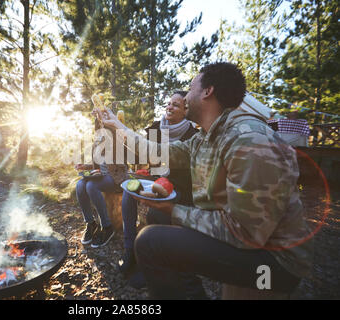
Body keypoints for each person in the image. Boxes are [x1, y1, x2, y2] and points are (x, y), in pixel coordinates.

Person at [98, 62, 313, 299]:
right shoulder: (206, 138)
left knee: (150, 241)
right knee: (159, 217)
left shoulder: (248, 140)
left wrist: (175, 209)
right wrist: (117, 126)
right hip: (250, 240)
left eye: (190, 88)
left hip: (274, 262)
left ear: (207, 91)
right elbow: (155, 151)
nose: (186, 95)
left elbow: (247, 233)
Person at [119, 91, 198, 287]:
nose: (169, 107)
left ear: (186, 111)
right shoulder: (155, 128)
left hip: (180, 188)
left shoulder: (194, 135)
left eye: (176, 105)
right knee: (128, 192)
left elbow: (195, 175)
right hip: (155, 179)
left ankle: (152, 265)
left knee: (156, 214)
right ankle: (130, 250)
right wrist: (123, 140)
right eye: (169, 103)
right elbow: (139, 158)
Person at [74, 120, 128, 248]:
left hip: (115, 178)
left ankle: (107, 226)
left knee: (91, 186)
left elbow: (123, 165)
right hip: (100, 177)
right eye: (98, 128)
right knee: (80, 185)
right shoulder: (96, 144)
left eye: (103, 127)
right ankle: (90, 223)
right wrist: (85, 166)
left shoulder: (117, 141)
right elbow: (96, 166)